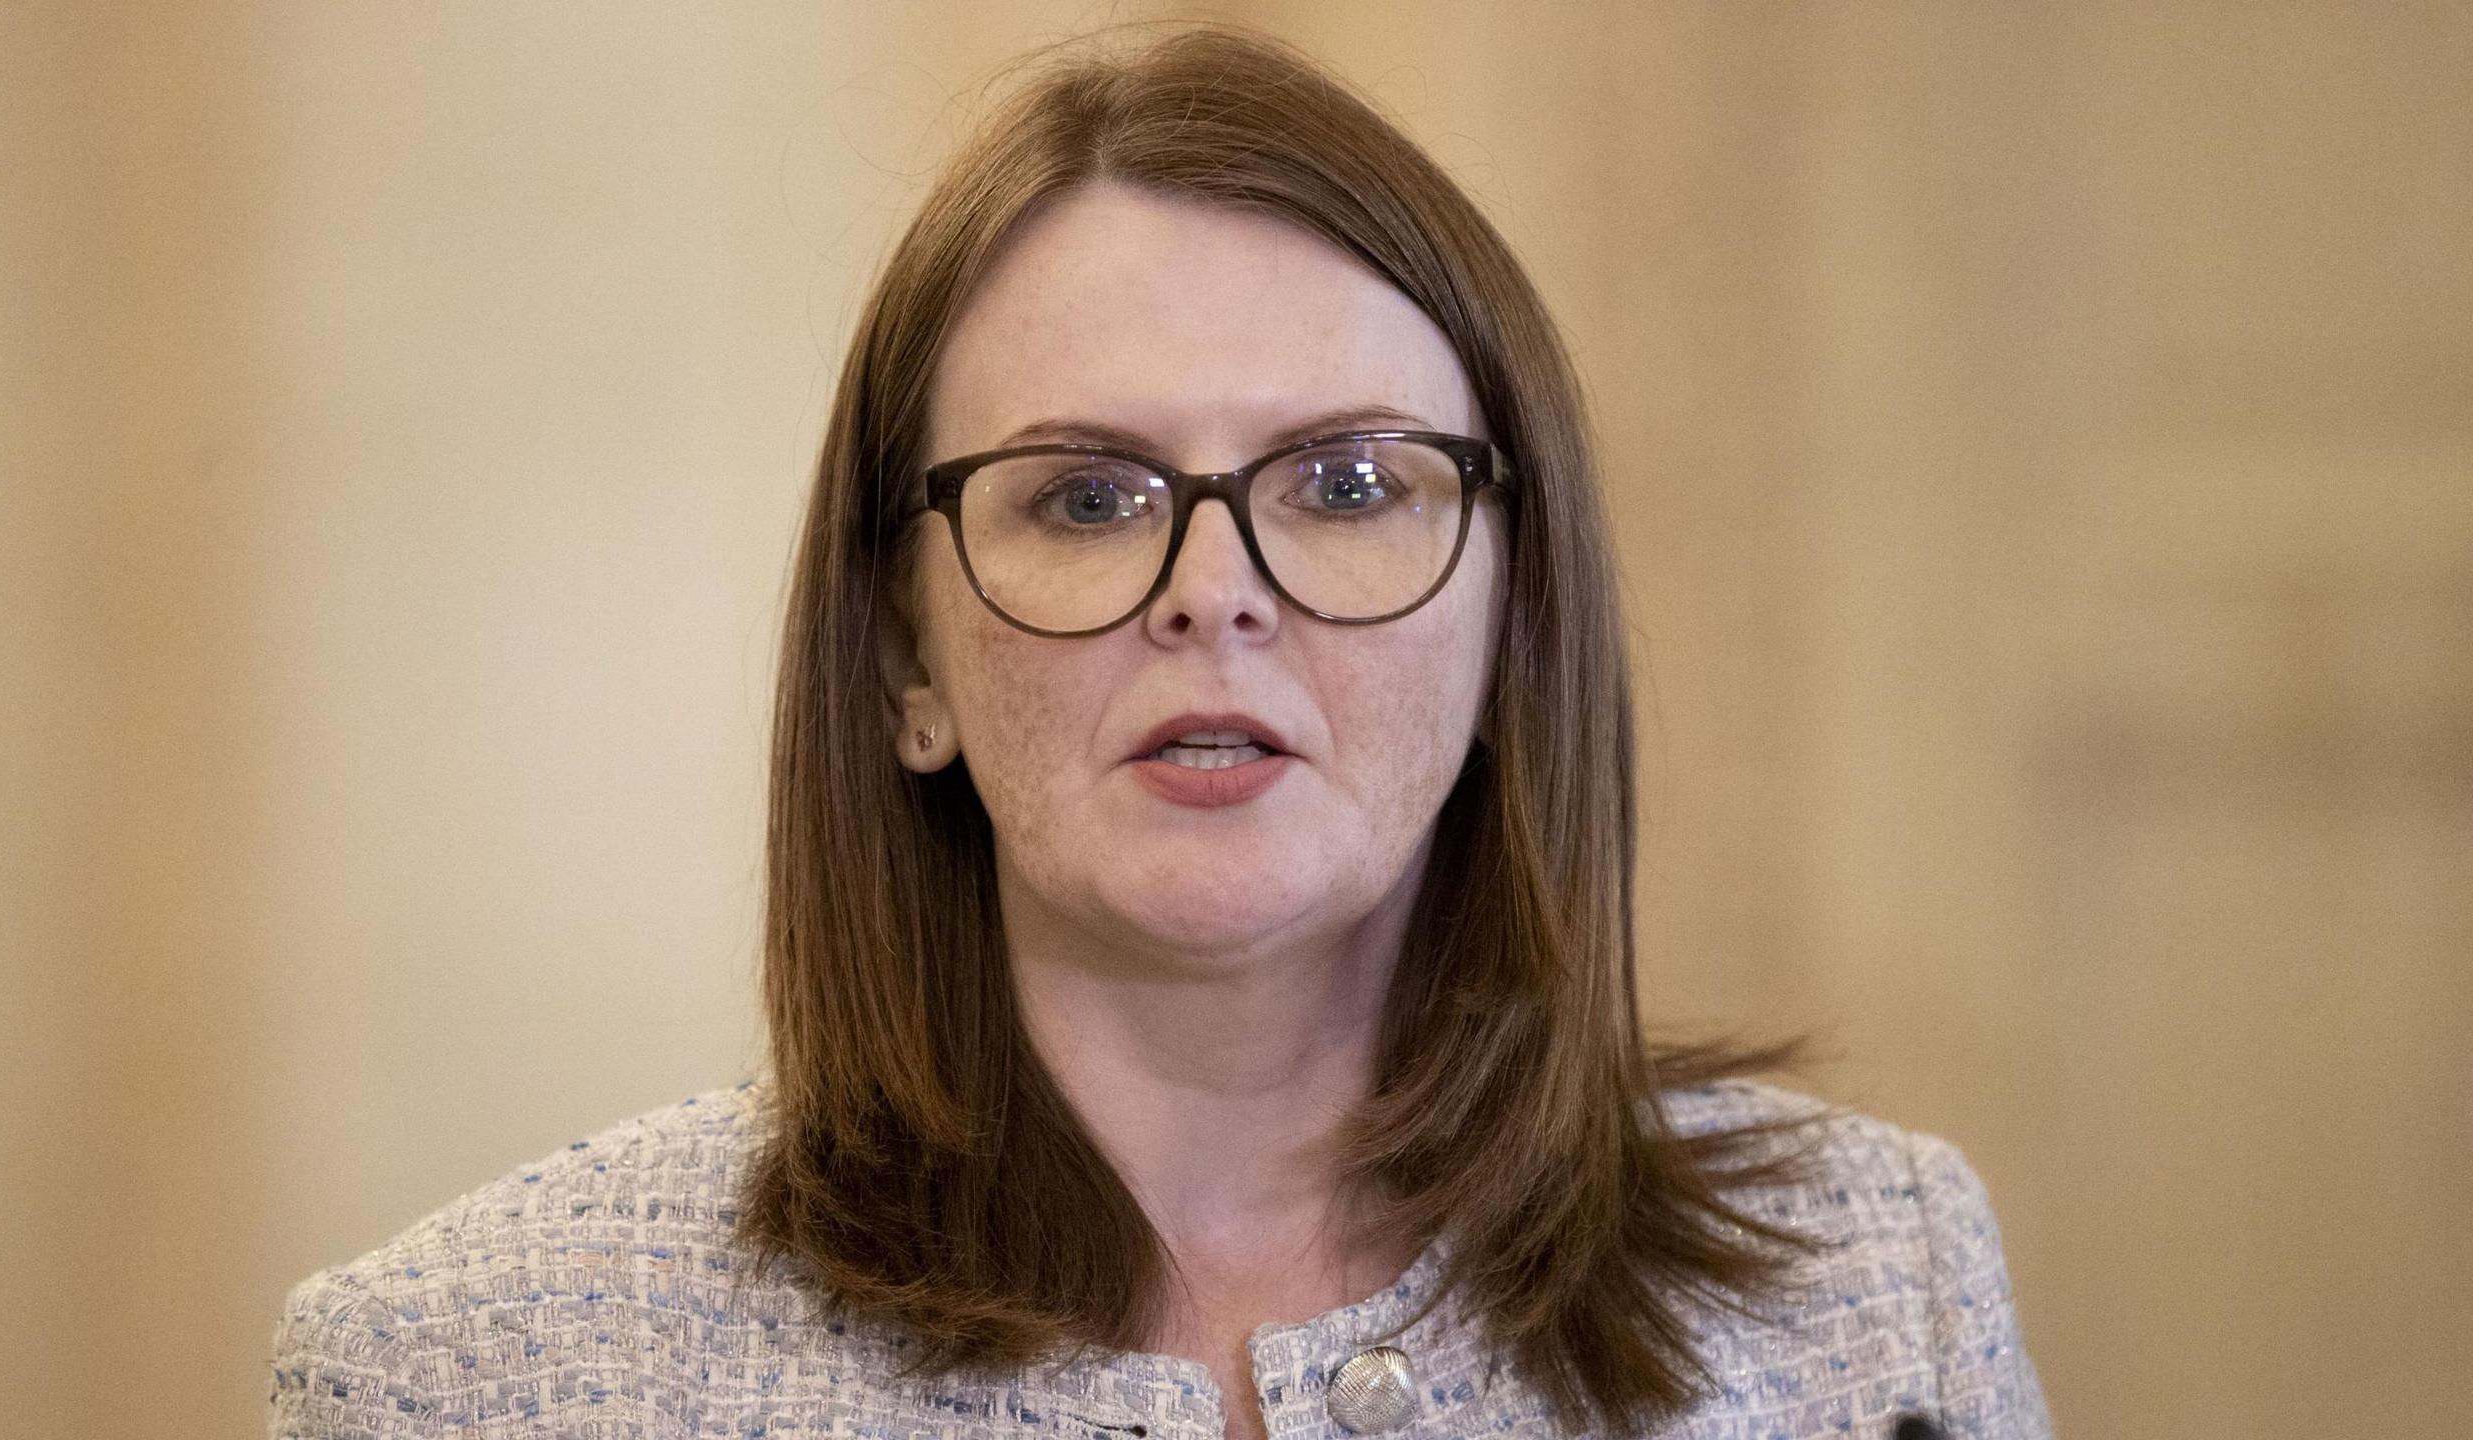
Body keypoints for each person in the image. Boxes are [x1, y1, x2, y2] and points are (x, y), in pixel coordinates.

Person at [268, 23, 2051, 1440]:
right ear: (907, 655)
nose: (1215, 589)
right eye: (1089, 498)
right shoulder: (469, 1380)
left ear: (1518, 621)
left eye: (1348, 483)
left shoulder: (1871, 1289)